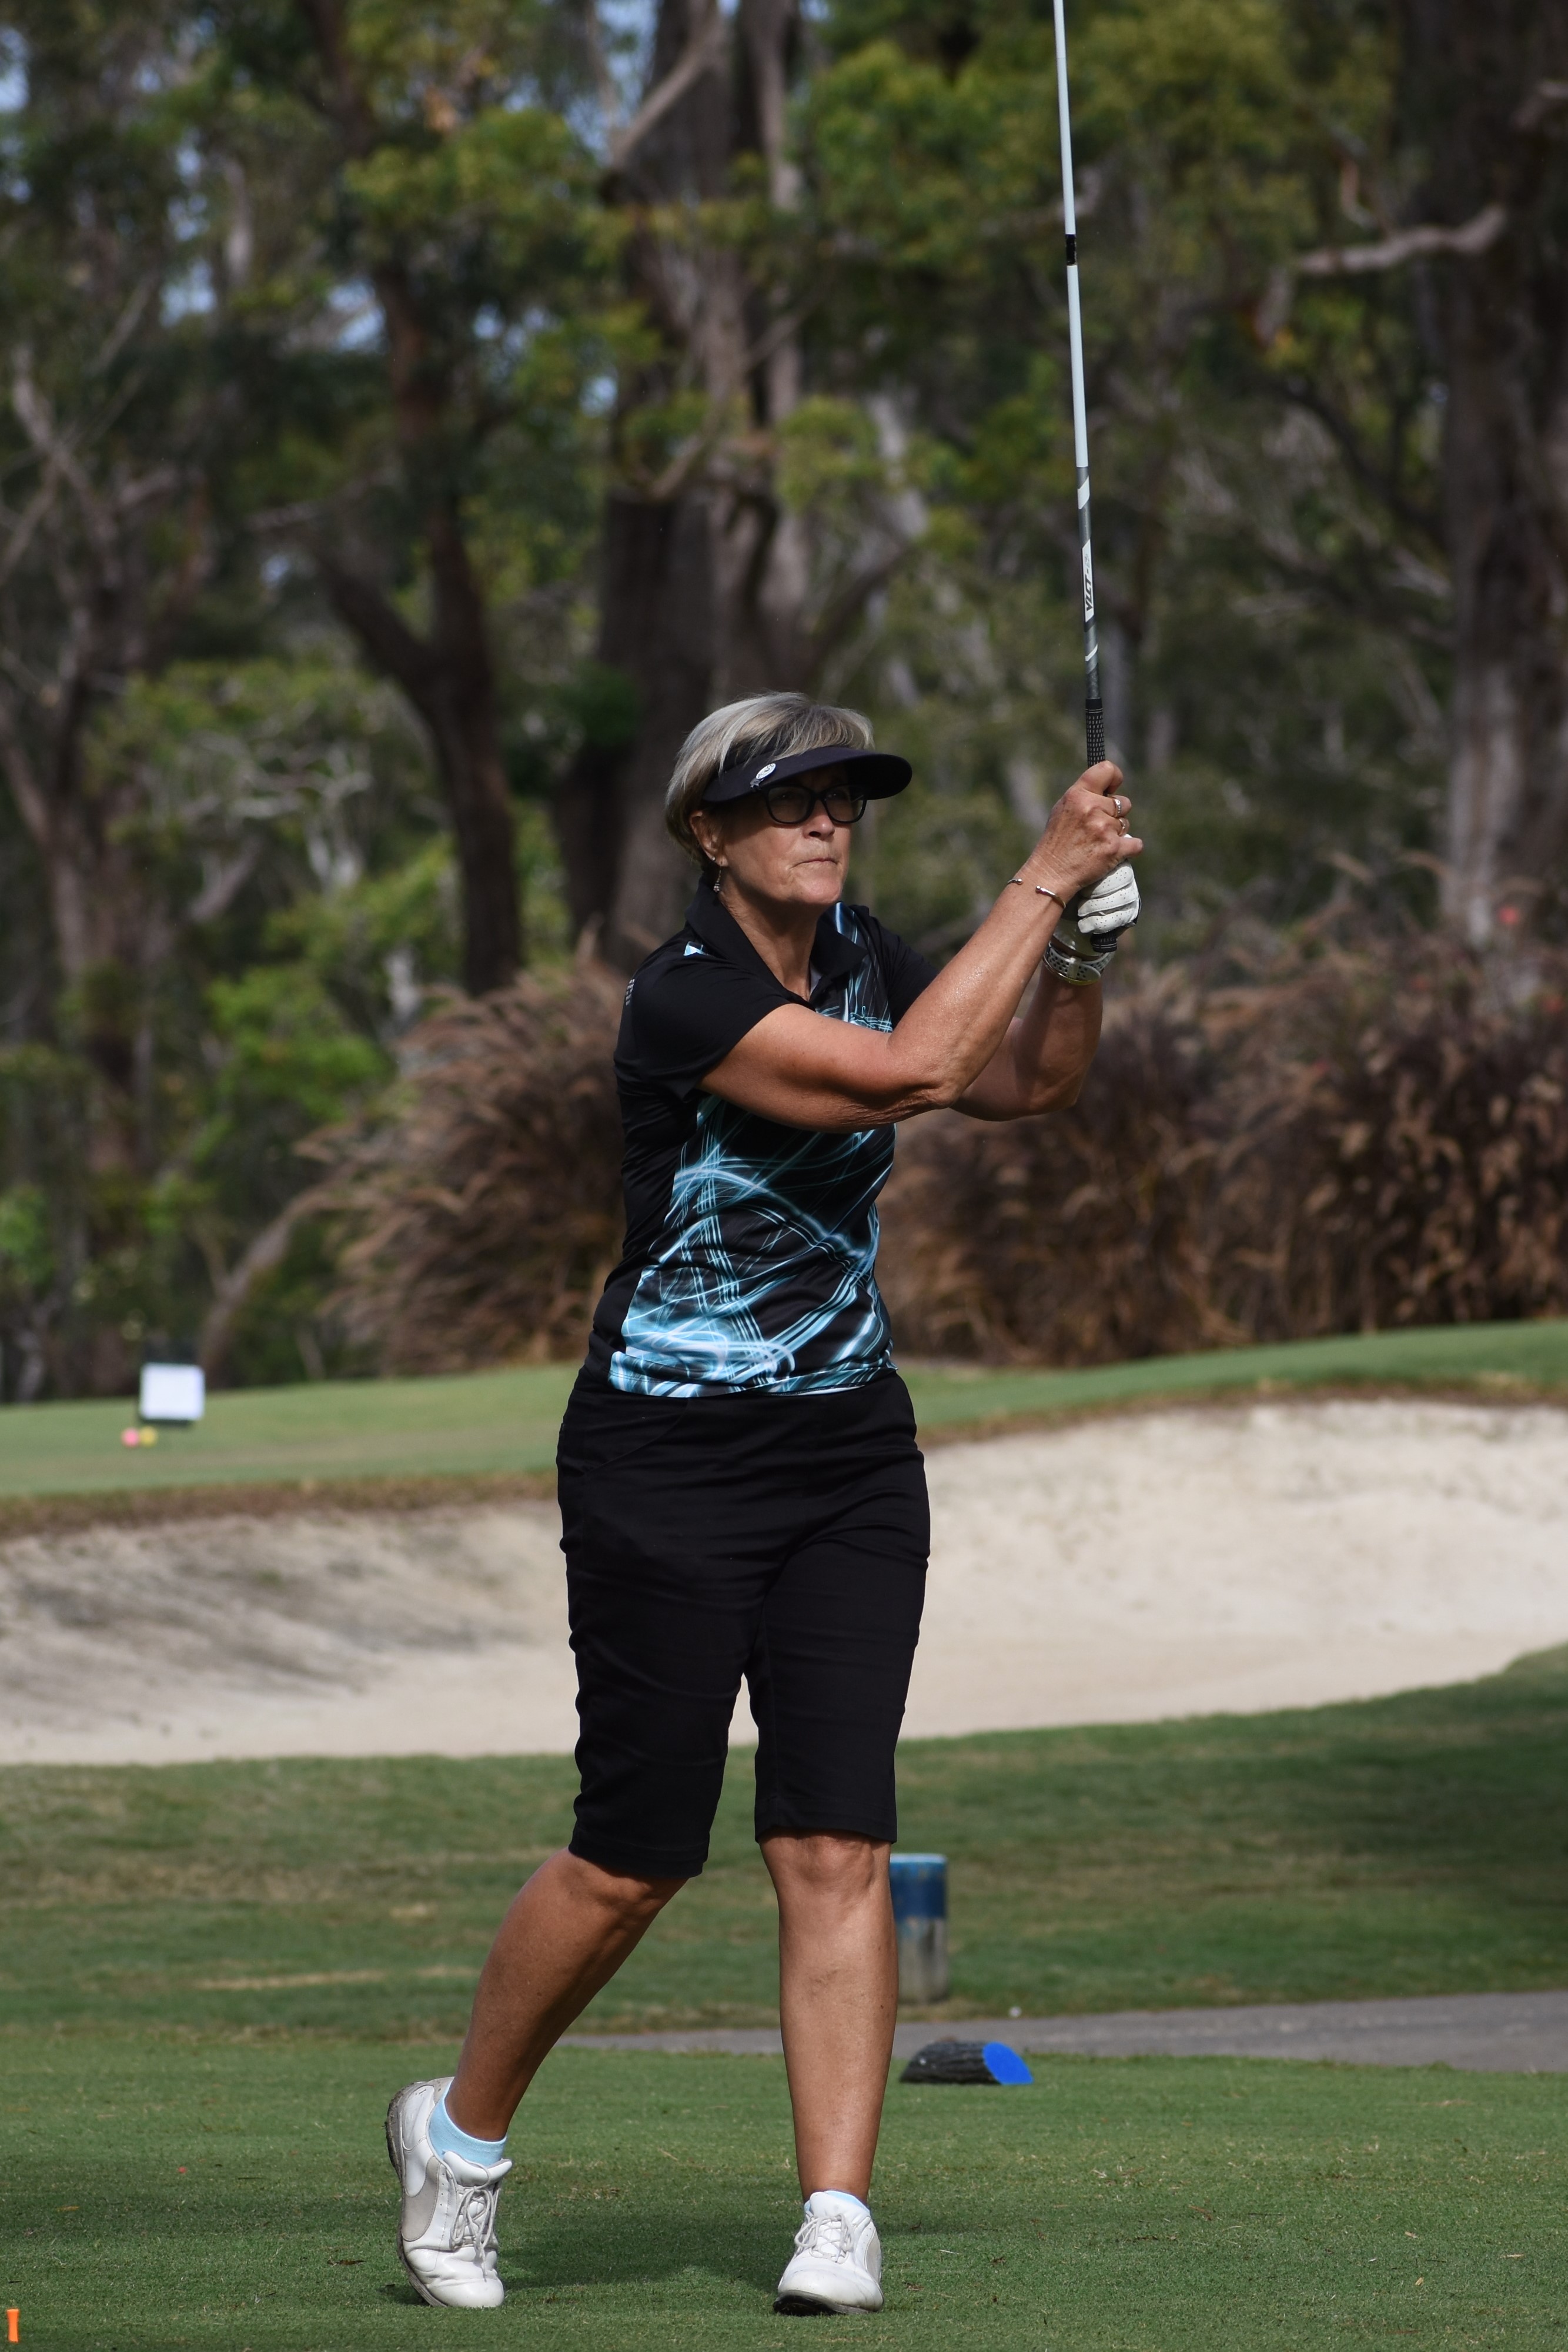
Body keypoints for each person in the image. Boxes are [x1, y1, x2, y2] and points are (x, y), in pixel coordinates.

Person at [386, 691, 1142, 2315]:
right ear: (708, 832)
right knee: (632, 1857)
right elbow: (911, 1078)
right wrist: (1045, 876)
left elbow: (1023, 1083)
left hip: (847, 1455)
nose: (826, 820)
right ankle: (457, 2138)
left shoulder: (863, 949)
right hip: (663, 1458)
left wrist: (1078, 957)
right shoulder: (685, 993)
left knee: (835, 1838)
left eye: (845, 798)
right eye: (792, 798)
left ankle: (835, 2215)